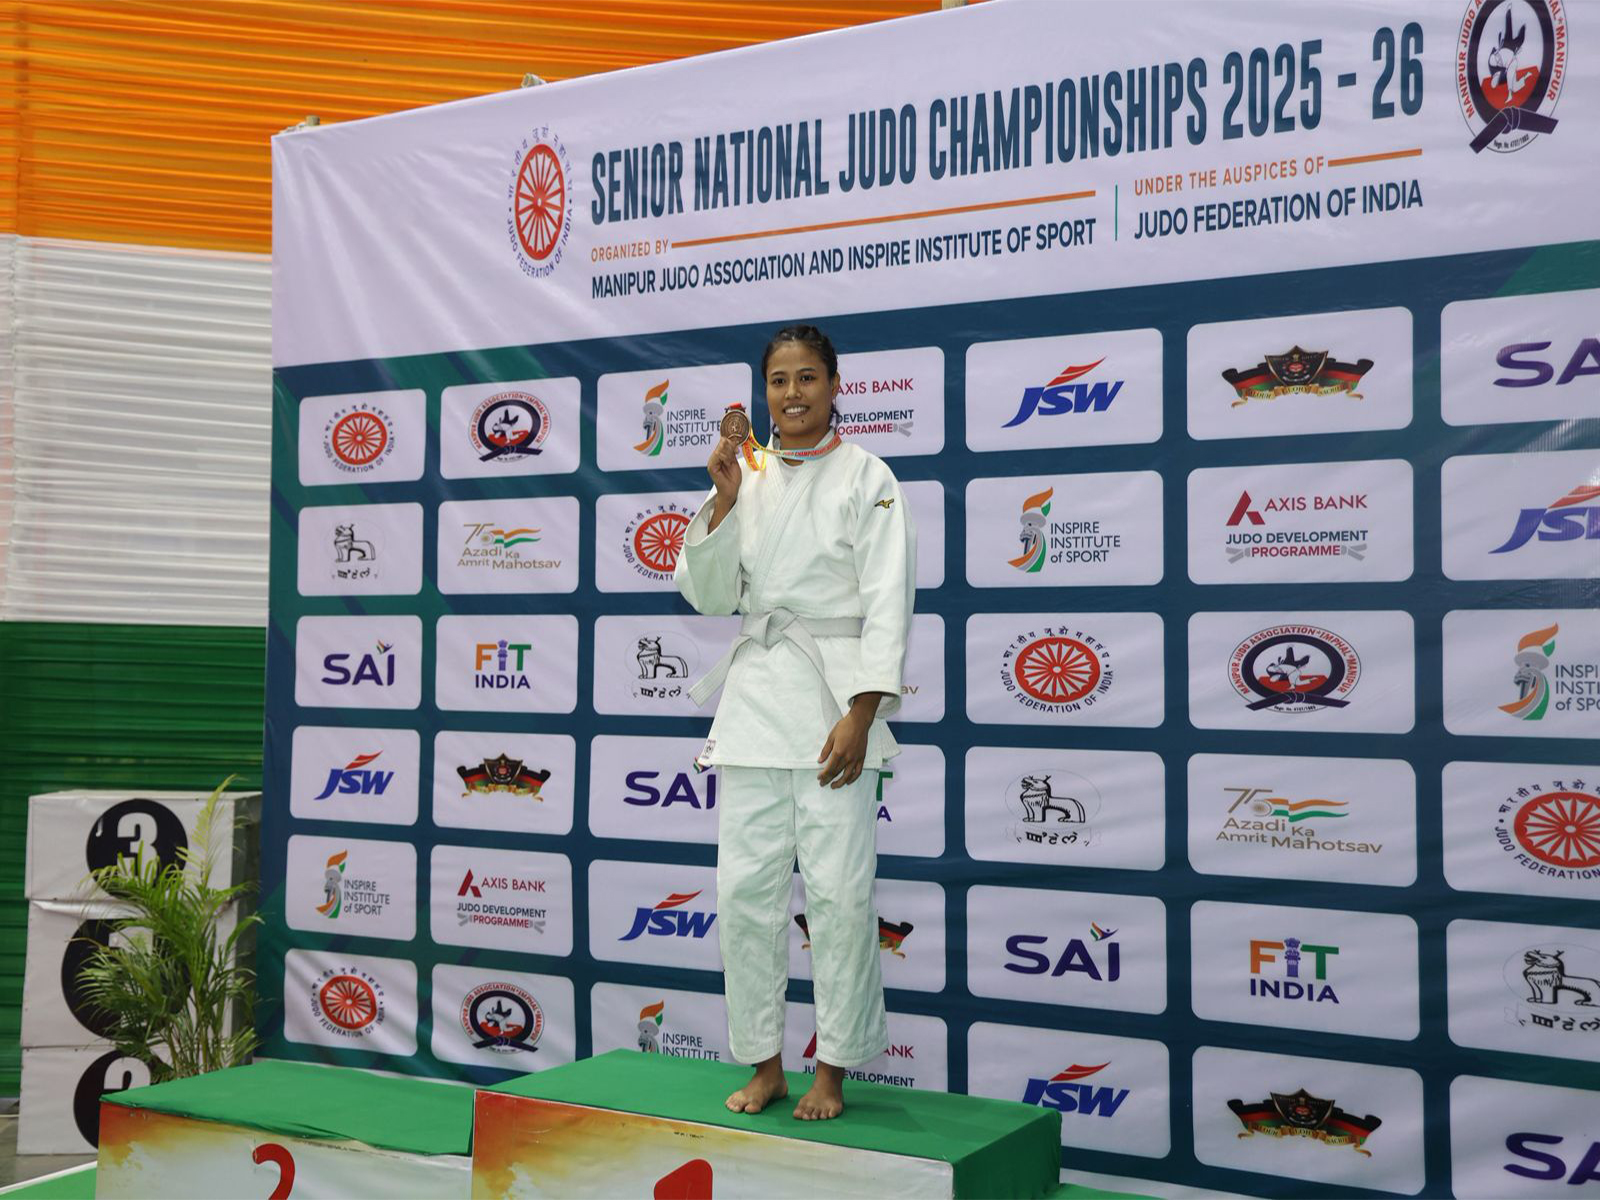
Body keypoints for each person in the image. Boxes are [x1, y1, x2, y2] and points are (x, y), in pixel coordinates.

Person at [674, 324, 916, 1121]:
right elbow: (709, 596)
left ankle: (832, 1071)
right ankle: (766, 1063)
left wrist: (863, 709)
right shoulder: (746, 474)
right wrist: (723, 500)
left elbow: (888, 600)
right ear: (765, 391)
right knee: (745, 894)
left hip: (833, 707)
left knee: (839, 897)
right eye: (779, 381)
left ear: (835, 385)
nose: (792, 393)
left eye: (807, 377)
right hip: (755, 706)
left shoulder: (868, 477)